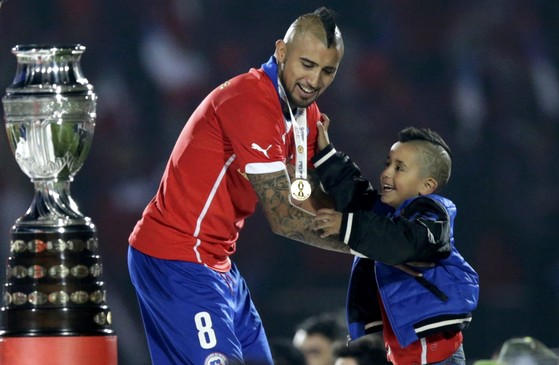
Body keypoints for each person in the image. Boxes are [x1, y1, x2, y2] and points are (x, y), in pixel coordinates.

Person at [127, 7, 407, 365]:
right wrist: (374, 246)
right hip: (176, 257)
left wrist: (378, 225)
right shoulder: (251, 102)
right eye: (306, 64)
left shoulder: (305, 113)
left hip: (217, 263)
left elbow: (302, 195)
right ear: (281, 51)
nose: (314, 80)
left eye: (327, 70)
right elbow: (285, 218)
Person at [311, 124, 480, 365]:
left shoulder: (434, 214)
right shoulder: (388, 216)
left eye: (399, 168)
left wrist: (346, 225)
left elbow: (402, 241)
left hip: (435, 356)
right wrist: (328, 156)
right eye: (387, 163)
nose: (386, 173)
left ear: (427, 186)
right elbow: (359, 198)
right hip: (403, 356)